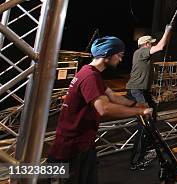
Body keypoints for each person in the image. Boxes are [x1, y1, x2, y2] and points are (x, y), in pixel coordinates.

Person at [47, 36, 153, 184]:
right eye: (119, 55)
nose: (120, 60)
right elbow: (104, 108)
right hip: (71, 149)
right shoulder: (89, 76)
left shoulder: (90, 72)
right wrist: (140, 112)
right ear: (107, 54)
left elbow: (113, 97)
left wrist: (136, 104)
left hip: (83, 145)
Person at [125, 24, 172, 170]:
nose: (152, 44)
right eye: (150, 43)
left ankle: (149, 145)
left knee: (153, 116)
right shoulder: (141, 52)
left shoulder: (144, 54)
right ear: (146, 44)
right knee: (144, 124)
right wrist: (167, 31)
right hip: (136, 91)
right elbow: (160, 46)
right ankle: (136, 161)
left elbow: (162, 44)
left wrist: (168, 34)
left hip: (143, 91)